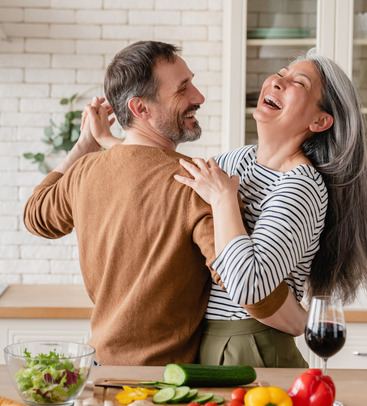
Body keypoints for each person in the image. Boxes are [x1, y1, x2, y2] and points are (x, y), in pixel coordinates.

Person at [87, 48, 367, 367]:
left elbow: (249, 286)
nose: (277, 82)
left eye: (299, 83)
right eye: (280, 74)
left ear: (319, 120)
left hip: (253, 346)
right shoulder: (238, 160)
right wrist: (109, 141)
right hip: (206, 343)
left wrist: (224, 200)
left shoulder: (301, 186)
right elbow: (170, 175)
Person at [23, 41, 227, 366]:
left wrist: (84, 145)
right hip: (164, 380)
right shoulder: (196, 182)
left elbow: (36, 216)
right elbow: (239, 280)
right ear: (141, 109)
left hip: (99, 369)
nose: (198, 97)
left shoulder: (85, 171)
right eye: (183, 89)